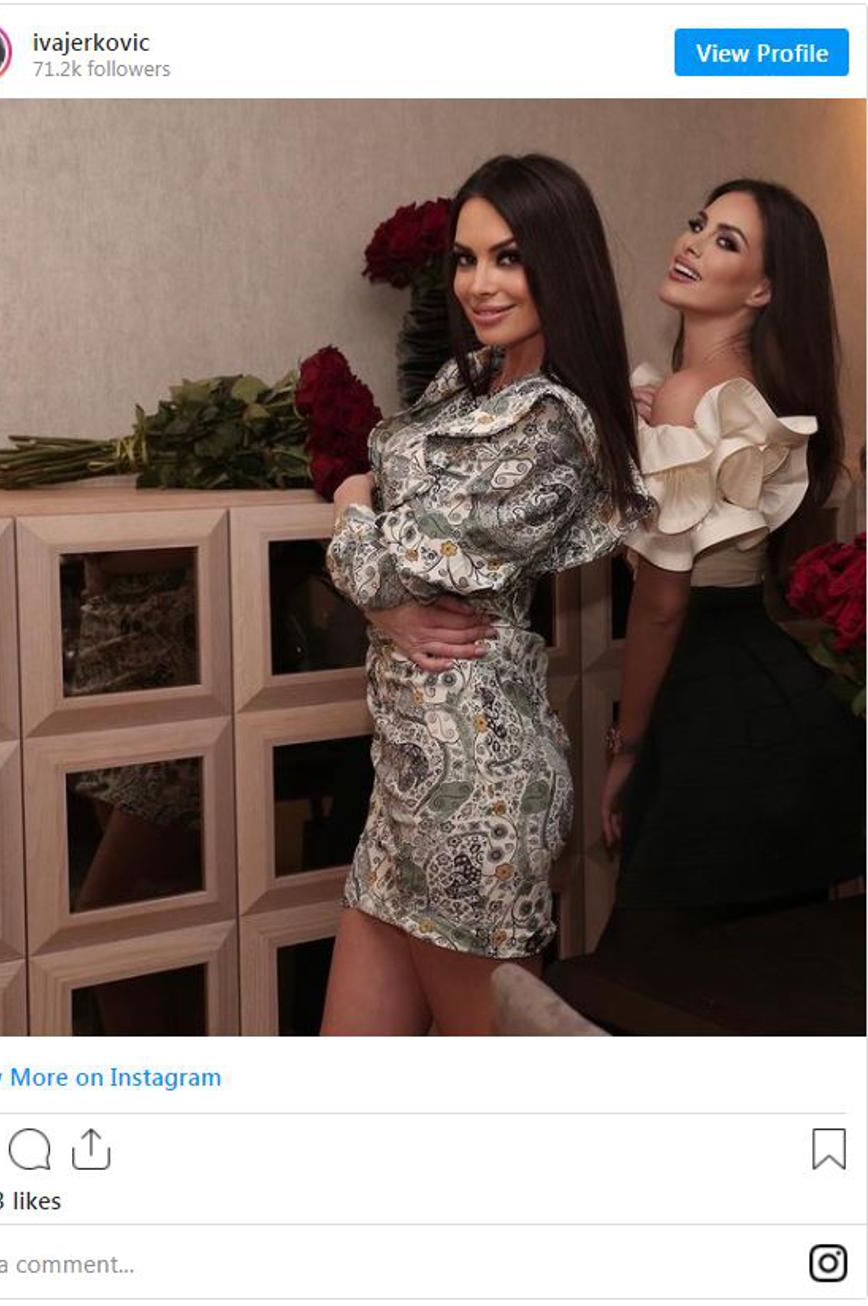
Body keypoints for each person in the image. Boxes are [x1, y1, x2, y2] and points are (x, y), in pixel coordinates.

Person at [321, 154, 650, 1035]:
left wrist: (352, 507)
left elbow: (399, 562)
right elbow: (392, 573)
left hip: (477, 787)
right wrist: (383, 598)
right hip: (406, 767)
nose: (480, 283)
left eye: (509, 257)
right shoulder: (465, 381)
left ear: (561, 262)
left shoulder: (555, 424)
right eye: (465, 259)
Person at [589, 180, 864, 971]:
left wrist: (628, 747)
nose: (693, 243)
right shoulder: (746, 395)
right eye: (699, 225)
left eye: (726, 242)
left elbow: (663, 604)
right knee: (762, 982)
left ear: (764, 289)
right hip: (775, 693)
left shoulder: (687, 396)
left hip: (711, 709)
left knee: (647, 983)